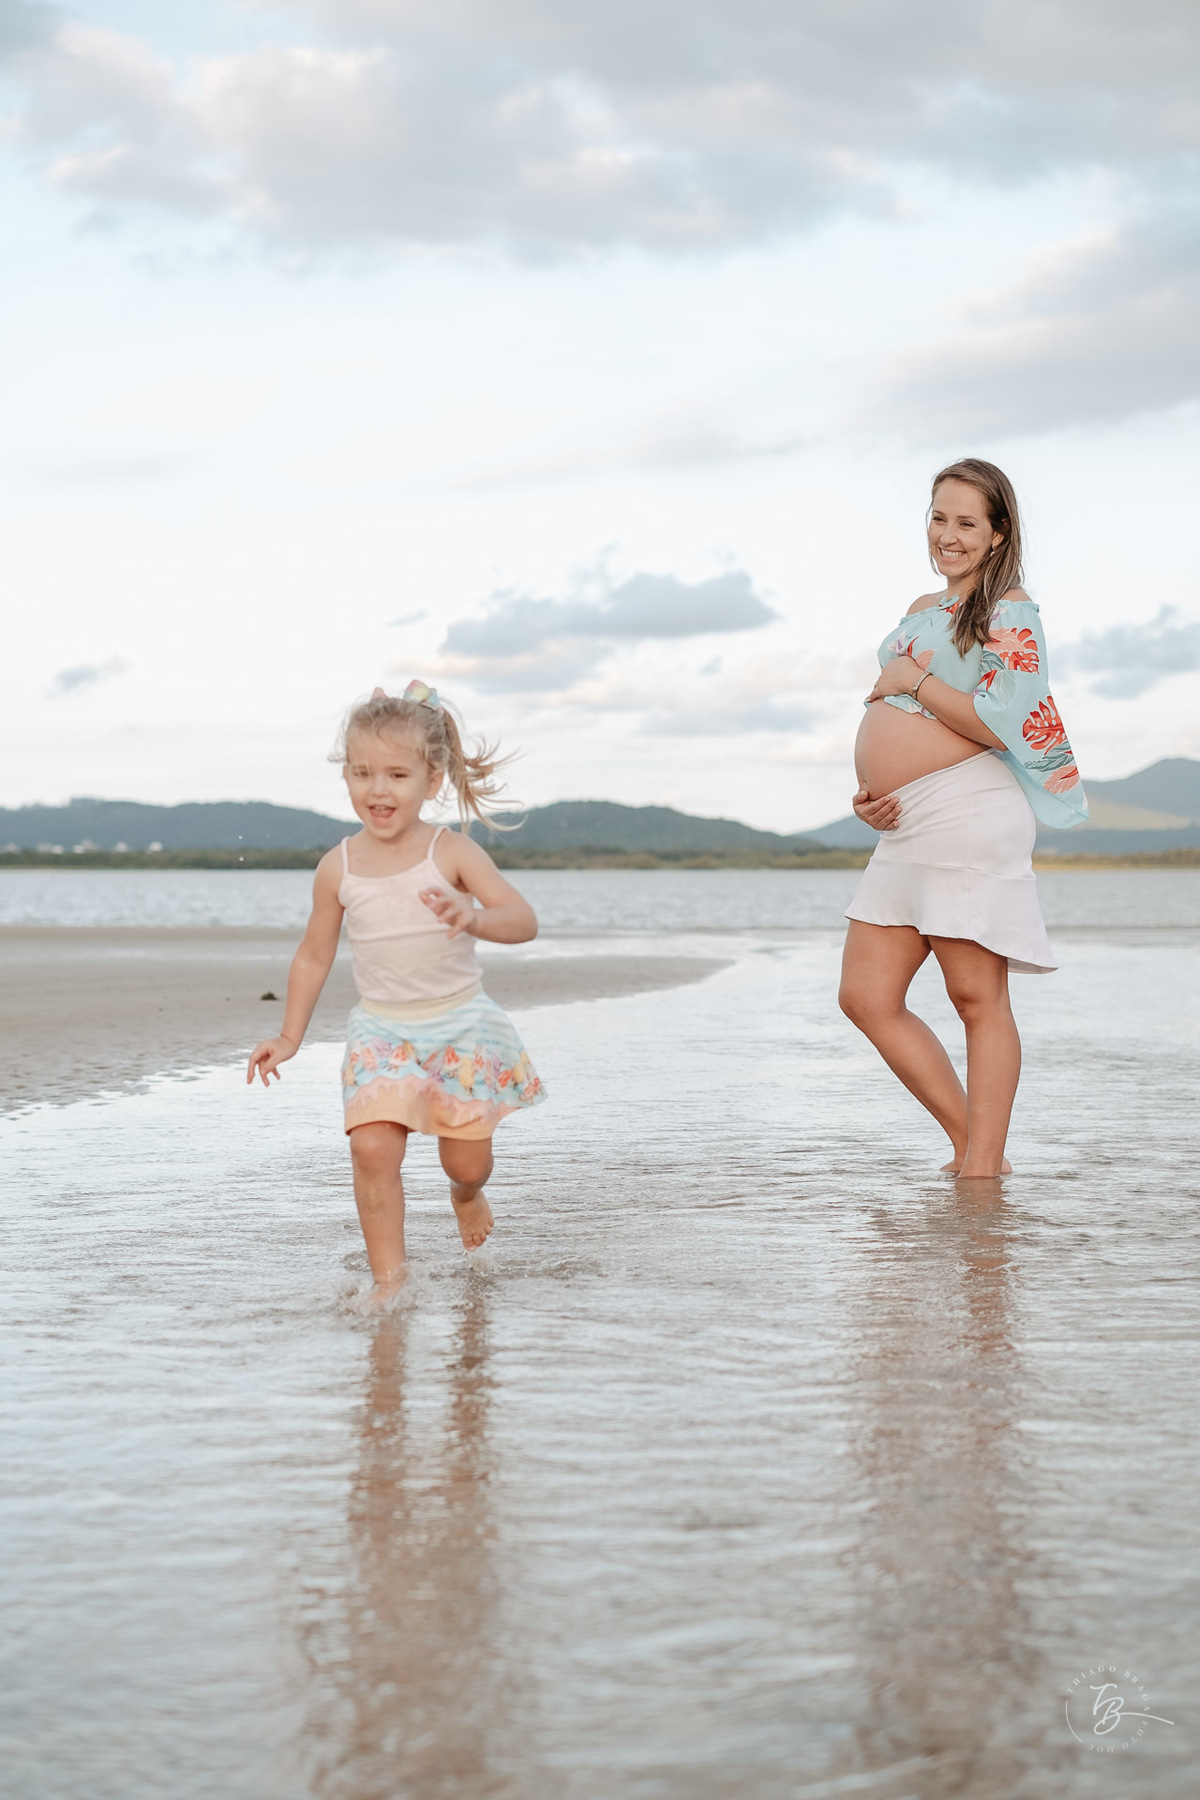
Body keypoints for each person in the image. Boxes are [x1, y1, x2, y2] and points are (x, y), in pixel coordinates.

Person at [248, 680, 545, 1307]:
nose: (377, 790)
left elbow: (523, 921)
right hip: (381, 1032)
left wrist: (474, 916)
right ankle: (391, 1282)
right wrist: (288, 1035)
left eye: (396, 774)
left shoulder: (452, 852)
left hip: (461, 1027)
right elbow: (314, 953)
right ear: (347, 777)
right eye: (362, 773)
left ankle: (466, 1198)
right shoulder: (339, 866)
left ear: (431, 780)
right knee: (371, 1147)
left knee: (465, 1164)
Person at [838, 458, 1086, 1179]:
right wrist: (870, 793)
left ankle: (981, 1168)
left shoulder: (1010, 609)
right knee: (866, 996)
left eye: (966, 522)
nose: (948, 535)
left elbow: (1005, 718)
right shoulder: (923, 604)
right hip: (908, 821)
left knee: (975, 996)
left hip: (971, 808)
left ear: (999, 532)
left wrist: (910, 678)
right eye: (938, 518)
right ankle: (973, 1145)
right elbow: (900, 721)